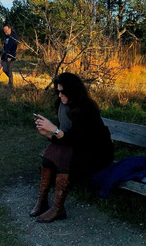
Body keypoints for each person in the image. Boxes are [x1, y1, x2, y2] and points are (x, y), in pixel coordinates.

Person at [29, 73, 114, 223]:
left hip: (96, 154)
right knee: (49, 157)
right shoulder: (62, 105)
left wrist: (55, 131)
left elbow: (79, 140)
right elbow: (65, 138)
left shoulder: (87, 109)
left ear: (73, 91)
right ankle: (42, 201)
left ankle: (58, 208)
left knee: (63, 158)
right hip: (77, 148)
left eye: (63, 91)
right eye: (58, 91)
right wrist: (48, 134)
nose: (60, 95)